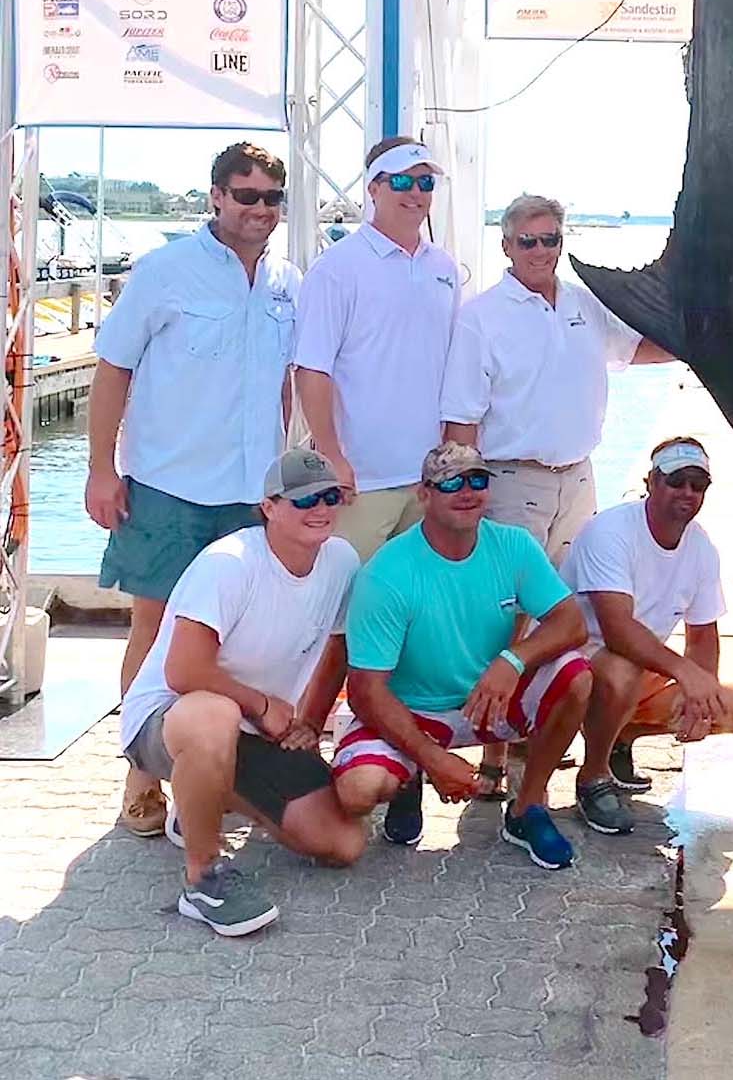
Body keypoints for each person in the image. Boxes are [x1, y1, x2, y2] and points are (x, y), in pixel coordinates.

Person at [86, 140, 299, 838]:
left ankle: (215, 773)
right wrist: (100, 469)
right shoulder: (164, 271)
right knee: (154, 632)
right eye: (246, 195)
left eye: (272, 198)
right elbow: (113, 369)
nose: (259, 209)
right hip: (168, 485)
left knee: (235, 642)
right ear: (215, 196)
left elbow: (289, 385)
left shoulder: (287, 283)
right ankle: (141, 776)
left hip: (252, 494)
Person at [118, 448, 364, 937]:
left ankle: (199, 806)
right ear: (268, 507)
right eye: (303, 500)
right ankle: (203, 878)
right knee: (215, 717)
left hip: (253, 731)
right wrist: (262, 704)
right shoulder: (229, 564)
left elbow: (338, 646)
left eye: (330, 497)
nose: (319, 508)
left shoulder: (342, 560)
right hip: (167, 720)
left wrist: (309, 723)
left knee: (342, 844)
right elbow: (183, 671)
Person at [332, 441, 593, 872]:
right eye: (451, 483)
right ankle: (409, 777)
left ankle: (526, 809)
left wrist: (513, 660)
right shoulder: (386, 573)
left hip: (488, 702)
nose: (467, 492)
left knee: (576, 675)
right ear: (424, 494)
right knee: (357, 790)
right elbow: (363, 691)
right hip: (415, 712)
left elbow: (572, 624)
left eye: (477, 480)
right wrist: (434, 759)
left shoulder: (514, 544)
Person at [440, 193, 672, 565]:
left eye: (550, 240)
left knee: (572, 592)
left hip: (579, 482)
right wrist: (460, 493)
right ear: (507, 246)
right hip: (512, 486)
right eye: (527, 242)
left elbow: (634, 348)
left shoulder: (584, 302)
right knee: (511, 596)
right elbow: (461, 421)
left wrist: (706, 346)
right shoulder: (479, 317)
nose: (540, 251)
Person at [563, 437, 733, 833]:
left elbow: (702, 635)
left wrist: (701, 697)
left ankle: (618, 737)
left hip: (637, 665)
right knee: (622, 669)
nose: (687, 492)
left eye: (697, 484)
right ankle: (593, 777)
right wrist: (685, 673)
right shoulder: (610, 531)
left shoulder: (701, 546)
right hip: (575, 665)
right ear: (651, 481)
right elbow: (617, 631)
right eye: (676, 481)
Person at [294, 136, 459, 560]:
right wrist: (332, 456)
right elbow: (311, 369)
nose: (415, 192)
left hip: (427, 478)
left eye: (425, 183)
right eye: (401, 181)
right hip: (360, 482)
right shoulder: (335, 268)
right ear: (373, 188)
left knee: (415, 594)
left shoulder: (444, 268)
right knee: (345, 592)